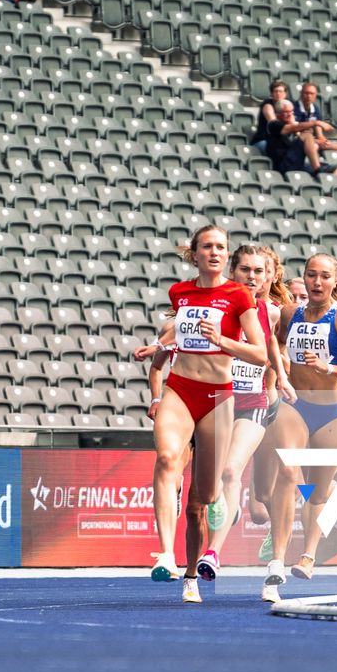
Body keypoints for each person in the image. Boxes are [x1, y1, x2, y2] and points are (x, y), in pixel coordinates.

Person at [133, 227, 266, 601]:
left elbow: (260, 354)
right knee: (166, 458)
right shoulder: (180, 292)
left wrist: (222, 340)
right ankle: (165, 555)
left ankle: (192, 573)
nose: (215, 252)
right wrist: (157, 347)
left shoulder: (239, 296)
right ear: (194, 253)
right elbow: (181, 332)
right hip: (180, 388)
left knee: (201, 501)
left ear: (227, 255)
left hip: (218, 398)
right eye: (207, 246)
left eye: (221, 247)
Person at [260, 254, 337, 601]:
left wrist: (329, 369)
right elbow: (276, 344)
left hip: (331, 411)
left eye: (325, 276)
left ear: (334, 281)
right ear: (304, 279)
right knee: (288, 473)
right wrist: (282, 372)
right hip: (297, 405)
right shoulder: (289, 314)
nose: (317, 282)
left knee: (317, 491)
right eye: (311, 275)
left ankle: (308, 555)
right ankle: (276, 561)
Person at [206, 244, 295, 570]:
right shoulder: (218, 304)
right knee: (237, 492)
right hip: (222, 401)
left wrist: (281, 375)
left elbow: (273, 345)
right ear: (234, 272)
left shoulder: (274, 312)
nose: (254, 277)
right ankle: (228, 510)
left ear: (270, 275)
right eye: (247, 270)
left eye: (261, 272)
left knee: (256, 486)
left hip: (263, 404)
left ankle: (275, 537)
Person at [250, 80, 292, 153]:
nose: (278, 93)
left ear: (285, 94)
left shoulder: (287, 105)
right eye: (275, 91)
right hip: (264, 141)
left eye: (281, 91)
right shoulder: (267, 105)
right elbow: (275, 125)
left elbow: (292, 123)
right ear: (272, 93)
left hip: (279, 141)